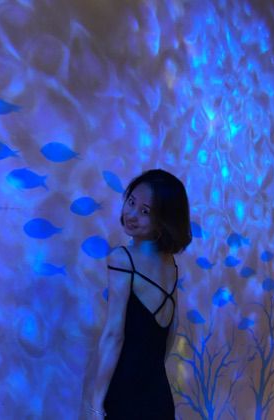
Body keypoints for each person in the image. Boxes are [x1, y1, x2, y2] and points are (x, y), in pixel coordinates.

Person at [87, 169, 192, 419]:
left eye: (145, 211)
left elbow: (114, 335)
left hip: (125, 393)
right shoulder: (170, 263)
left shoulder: (123, 259)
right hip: (159, 394)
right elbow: (172, 328)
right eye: (131, 202)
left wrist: (95, 403)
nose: (131, 214)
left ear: (163, 221)